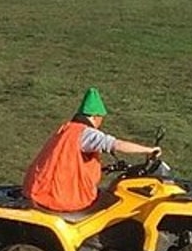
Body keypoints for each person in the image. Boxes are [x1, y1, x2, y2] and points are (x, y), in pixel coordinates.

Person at [21, 88, 157, 214]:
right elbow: (115, 144)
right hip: (59, 196)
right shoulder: (85, 133)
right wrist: (148, 150)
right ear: (95, 116)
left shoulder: (66, 129)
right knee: (110, 204)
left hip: (40, 190)